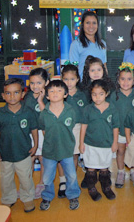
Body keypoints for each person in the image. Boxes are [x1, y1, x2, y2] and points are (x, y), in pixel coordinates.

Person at [0, 78, 38, 212]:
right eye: (8, 93)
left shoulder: (28, 112)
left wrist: (35, 145)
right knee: (6, 179)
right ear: (3, 95)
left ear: (22, 94)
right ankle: (8, 199)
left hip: (24, 153)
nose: (12, 96)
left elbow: (34, 129)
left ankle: (28, 199)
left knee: (26, 178)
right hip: (5, 154)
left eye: (16, 92)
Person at [39, 80, 81, 211]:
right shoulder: (44, 113)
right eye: (51, 91)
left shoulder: (71, 111)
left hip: (67, 150)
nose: (55, 93)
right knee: (47, 177)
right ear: (47, 96)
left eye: (59, 90)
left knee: (72, 175)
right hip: (49, 151)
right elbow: (44, 130)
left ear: (65, 94)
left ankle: (73, 195)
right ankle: (47, 196)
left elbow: (71, 127)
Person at [80, 80, 119, 201]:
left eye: (101, 94)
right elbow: (84, 126)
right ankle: (92, 188)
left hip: (106, 145)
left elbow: (115, 127)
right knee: (90, 168)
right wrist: (81, 143)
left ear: (106, 93)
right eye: (94, 94)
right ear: (90, 95)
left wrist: (115, 143)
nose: (97, 97)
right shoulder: (87, 109)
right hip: (90, 144)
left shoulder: (112, 109)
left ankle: (106, 187)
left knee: (104, 168)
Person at [109, 62, 134, 189]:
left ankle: (133, 172)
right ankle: (121, 172)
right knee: (120, 151)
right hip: (119, 130)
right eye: (122, 79)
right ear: (118, 79)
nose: (125, 82)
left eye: (129, 79)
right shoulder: (113, 96)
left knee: (133, 152)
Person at [23, 68, 48, 199]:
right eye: (32, 83)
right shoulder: (27, 96)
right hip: (30, 132)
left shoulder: (49, 96)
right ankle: (27, 186)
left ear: (46, 82)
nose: (35, 86)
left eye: (39, 83)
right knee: (30, 158)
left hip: (43, 132)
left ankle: (41, 184)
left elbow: (46, 114)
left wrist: (41, 100)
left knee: (43, 158)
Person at [61, 64, 87, 169]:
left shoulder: (82, 95)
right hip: (63, 129)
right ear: (61, 79)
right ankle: (64, 179)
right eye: (66, 79)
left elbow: (86, 114)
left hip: (77, 128)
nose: (69, 82)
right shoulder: (59, 94)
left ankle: (73, 178)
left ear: (77, 79)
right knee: (63, 155)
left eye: (72, 79)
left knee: (74, 154)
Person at [69, 11, 107, 78]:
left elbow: (104, 66)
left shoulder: (102, 44)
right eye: (88, 23)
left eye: (94, 23)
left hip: (100, 85)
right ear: (83, 25)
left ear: (98, 25)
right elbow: (73, 70)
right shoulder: (76, 44)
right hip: (84, 85)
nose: (91, 26)